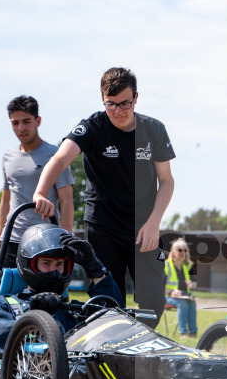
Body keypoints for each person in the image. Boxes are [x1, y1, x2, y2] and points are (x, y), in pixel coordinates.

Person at [32, 67, 175, 322]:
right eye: (111, 104)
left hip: (144, 227)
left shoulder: (153, 129)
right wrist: (41, 192)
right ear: (102, 99)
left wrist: (154, 223)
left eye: (125, 104)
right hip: (103, 226)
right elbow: (59, 159)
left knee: (154, 298)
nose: (118, 111)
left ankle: (143, 348)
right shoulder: (92, 127)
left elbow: (166, 181)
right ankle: (114, 355)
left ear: (136, 98)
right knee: (109, 300)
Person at [0, 223, 123, 354]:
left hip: (81, 373)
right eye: (46, 263)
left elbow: (118, 319)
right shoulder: (5, 305)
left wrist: (94, 267)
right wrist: (37, 317)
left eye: (59, 264)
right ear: (29, 264)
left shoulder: (72, 310)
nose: (54, 270)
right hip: (34, 375)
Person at [0, 95, 74, 268]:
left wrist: (66, 242)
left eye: (26, 121)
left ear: (38, 121)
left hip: (44, 241)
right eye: (15, 123)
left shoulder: (55, 155)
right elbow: (6, 201)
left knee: (45, 295)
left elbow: (67, 201)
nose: (21, 128)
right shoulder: (7, 157)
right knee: (5, 294)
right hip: (11, 240)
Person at [164, 238, 198, 338]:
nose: (183, 252)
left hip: (184, 295)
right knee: (182, 304)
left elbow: (195, 283)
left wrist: (192, 284)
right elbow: (158, 286)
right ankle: (183, 333)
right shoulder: (166, 265)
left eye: (185, 250)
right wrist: (170, 292)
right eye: (180, 250)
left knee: (192, 302)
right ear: (173, 252)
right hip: (167, 296)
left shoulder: (188, 266)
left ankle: (193, 333)